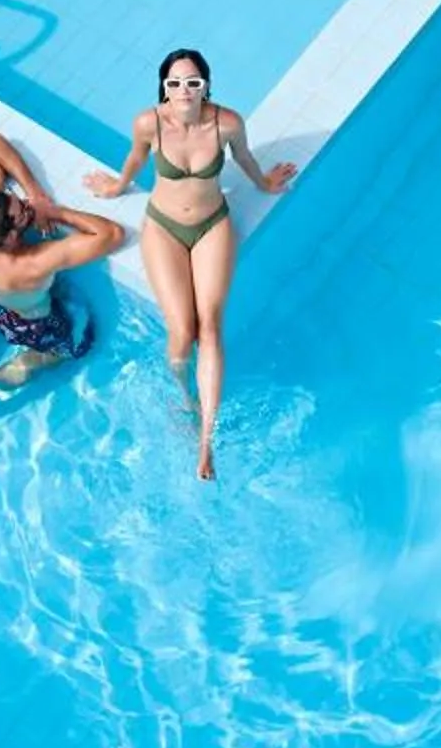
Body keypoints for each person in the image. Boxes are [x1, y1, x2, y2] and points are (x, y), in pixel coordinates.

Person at [83, 49, 294, 479]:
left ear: (206, 86)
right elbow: (136, 158)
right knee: (182, 331)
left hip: (213, 225)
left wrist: (263, 182)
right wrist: (118, 186)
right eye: (175, 83)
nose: (183, 90)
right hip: (163, 228)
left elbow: (245, 158)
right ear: (164, 86)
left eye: (192, 83)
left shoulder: (226, 123)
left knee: (210, 324)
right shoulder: (149, 122)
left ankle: (206, 444)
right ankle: (186, 401)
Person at [0, 133, 126, 414]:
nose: (27, 207)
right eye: (23, 213)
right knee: (66, 349)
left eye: (18, 201)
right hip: (30, 325)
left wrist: (35, 193)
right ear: (9, 238)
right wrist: (55, 211)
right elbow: (113, 235)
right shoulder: (33, 262)